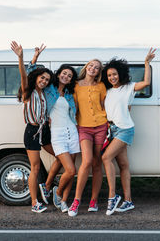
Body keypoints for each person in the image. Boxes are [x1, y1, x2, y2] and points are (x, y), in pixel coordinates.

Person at [101, 48, 156, 216]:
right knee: (124, 165)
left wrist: (146, 63)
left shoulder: (129, 87)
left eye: (115, 74)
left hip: (125, 129)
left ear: (121, 74)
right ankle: (128, 201)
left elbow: (146, 83)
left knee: (106, 157)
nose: (112, 77)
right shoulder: (107, 91)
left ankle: (112, 196)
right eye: (109, 75)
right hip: (112, 129)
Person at [28, 46, 80, 213]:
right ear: (58, 75)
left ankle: (64, 200)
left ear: (71, 80)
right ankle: (54, 190)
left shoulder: (70, 95)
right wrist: (35, 56)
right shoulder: (49, 89)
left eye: (70, 75)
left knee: (71, 171)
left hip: (72, 132)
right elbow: (32, 73)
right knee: (70, 169)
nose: (66, 76)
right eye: (64, 73)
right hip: (56, 133)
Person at [11, 41, 59, 213]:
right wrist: (22, 57)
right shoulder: (28, 92)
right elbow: (24, 75)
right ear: (36, 78)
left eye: (47, 79)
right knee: (36, 167)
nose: (44, 81)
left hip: (44, 130)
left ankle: (46, 186)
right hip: (32, 131)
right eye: (42, 78)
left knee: (61, 156)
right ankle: (34, 203)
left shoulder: (43, 93)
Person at [68, 59, 108, 217]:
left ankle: (94, 200)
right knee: (87, 161)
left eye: (97, 68)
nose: (93, 69)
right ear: (86, 67)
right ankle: (76, 200)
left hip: (101, 126)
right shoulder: (76, 85)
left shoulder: (101, 86)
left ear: (99, 72)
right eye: (91, 65)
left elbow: (105, 105)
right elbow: (74, 107)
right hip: (83, 127)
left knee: (97, 162)